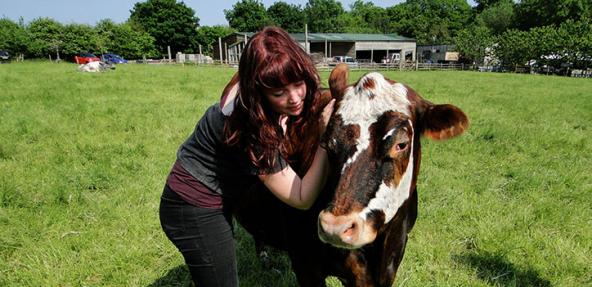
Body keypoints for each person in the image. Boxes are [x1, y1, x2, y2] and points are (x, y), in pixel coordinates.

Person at [159, 26, 335, 287]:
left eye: (299, 84)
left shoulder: (251, 84)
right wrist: (324, 138)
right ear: (258, 91)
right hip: (192, 205)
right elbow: (301, 197)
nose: (295, 98)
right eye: (279, 93)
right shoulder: (249, 129)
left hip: (217, 189)